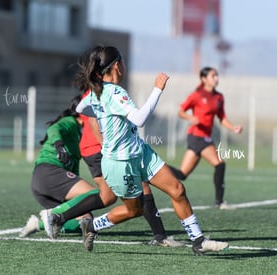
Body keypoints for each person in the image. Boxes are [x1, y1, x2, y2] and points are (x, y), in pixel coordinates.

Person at [41, 45, 229, 255]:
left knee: (177, 189)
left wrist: (102, 118)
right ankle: (92, 226)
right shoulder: (115, 91)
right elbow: (139, 120)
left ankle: (198, 241)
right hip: (120, 163)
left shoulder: (97, 92)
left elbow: (80, 108)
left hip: (140, 152)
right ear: (117, 65)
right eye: (123, 62)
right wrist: (157, 89)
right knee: (135, 210)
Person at [79, 89, 183, 247]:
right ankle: (67, 218)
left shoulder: (113, 90)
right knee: (126, 206)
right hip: (114, 158)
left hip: (132, 154)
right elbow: (138, 119)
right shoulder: (100, 92)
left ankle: (189, 239)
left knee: (172, 189)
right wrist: (157, 89)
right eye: (119, 62)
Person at [19, 95, 107, 239]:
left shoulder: (81, 133)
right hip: (49, 173)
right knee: (95, 195)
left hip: (43, 183)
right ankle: (51, 214)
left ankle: (37, 224)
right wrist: (59, 145)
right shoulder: (70, 121)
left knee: (86, 218)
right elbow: (54, 128)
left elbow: (73, 169)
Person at [168, 67, 243, 209]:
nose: (216, 78)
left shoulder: (219, 97)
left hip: (204, 137)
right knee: (220, 164)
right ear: (204, 79)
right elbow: (181, 111)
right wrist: (190, 117)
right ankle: (219, 202)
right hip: (197, 136)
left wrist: (233, 127)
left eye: (217, 75)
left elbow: (222, 118)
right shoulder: (197, 95)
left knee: (182, 174)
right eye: (213, 76)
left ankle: (156, 168)